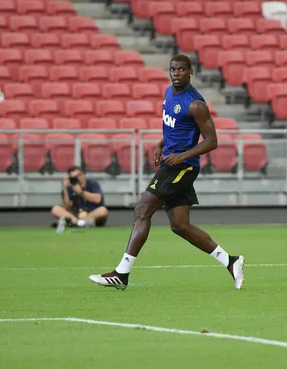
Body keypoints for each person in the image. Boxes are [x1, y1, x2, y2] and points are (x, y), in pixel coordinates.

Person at [89, 54, 245, 290]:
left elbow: (212, 141)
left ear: (190, 72)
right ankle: (231, 262)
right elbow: (176, 126)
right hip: (172, 162)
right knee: (180, 226)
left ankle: (122, 273)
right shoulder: (169, 94)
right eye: (173, 69)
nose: (176, 73)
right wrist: (162, 144)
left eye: (181, 70)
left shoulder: (196, 104)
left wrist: (181, 156)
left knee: (142, 209)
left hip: (181, 167)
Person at [51, 165, 109, 230]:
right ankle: (79, 223)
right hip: (76, 216)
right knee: (55, 209)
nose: (77, 178)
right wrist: (65, 188)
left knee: (103, 210)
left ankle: (78, 223)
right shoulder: (69, 188)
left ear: (82, 174)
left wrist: (81, 192)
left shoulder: (92, 183)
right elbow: (66, 207)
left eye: (78, 175)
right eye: (74, 177)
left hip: (92, 216)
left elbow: (97, 199)